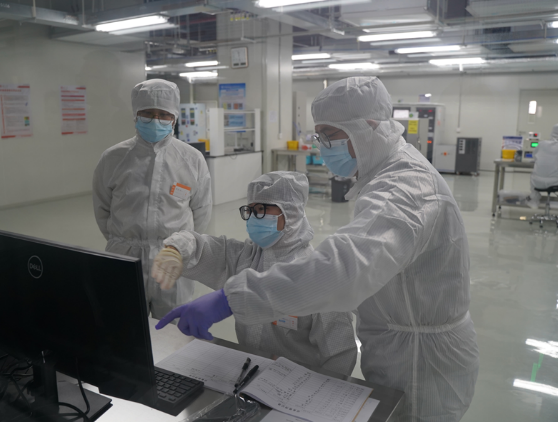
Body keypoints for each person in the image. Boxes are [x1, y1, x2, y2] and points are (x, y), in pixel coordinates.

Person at [156, 76, 478, 421]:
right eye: (319, 136)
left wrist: (229, 299)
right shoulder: (383, 176)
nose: (322, 146)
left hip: (422, 362)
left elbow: (343, 270)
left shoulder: (406, 188)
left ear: (367, 127)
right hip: (395, 347)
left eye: (329, 135)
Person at [150, 172, 357, 376]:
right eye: (250, 210)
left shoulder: (318, 275)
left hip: (298, 384)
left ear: (291, 213)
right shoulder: (244, 257)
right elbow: (203, 247)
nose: (253, 218)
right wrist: (176, 249)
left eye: (262, 209)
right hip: (247, 373)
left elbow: (339, 355)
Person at [93, 79, 212, 317]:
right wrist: (124, 241)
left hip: (172, 259)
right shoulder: (114, 158)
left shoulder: (191, 159)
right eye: (147, 113)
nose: (156, 120)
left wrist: (180, 246)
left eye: (163, 114)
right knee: (126, 324)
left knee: (172, 328)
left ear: (174, 118)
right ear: (136, 114)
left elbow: (201, 210)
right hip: (125, 257)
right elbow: (102, 208)